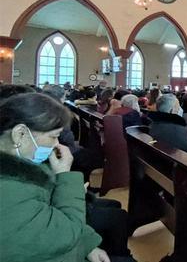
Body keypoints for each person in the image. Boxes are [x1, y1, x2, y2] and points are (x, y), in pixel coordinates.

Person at [0, 93, 109, 262]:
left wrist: (89, 244)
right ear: (20, 134)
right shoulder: (7, 190)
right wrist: (65, 176)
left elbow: (45, 219)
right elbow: (66, 233)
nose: (57, 144)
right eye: (53, 136)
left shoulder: (21, 166)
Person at [148, 94, 187, 161]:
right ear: (172, 110)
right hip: (173, 163)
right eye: (178, 106)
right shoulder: (176, 129)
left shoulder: (153, 123)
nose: (180, 109)